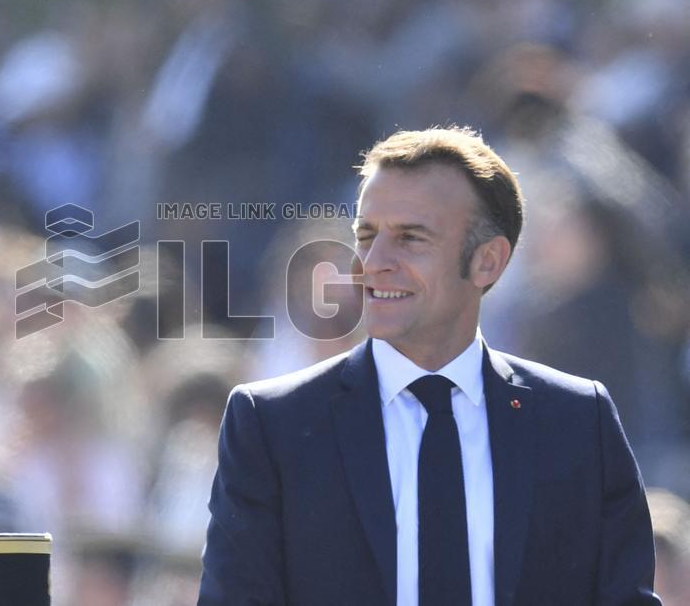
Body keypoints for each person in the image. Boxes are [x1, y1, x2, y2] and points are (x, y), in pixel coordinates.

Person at [198, 127, 660, 605]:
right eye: (366, 236)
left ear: (488, 261)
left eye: (410, 239)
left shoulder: (577, 421)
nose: (373, 263)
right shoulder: (274, 425)